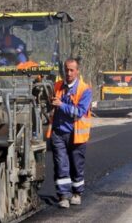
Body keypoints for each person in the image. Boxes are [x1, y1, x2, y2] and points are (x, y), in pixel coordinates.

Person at [50, 58, 92, 209]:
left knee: (76, 165)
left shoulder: (85, 90)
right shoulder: (57, 86)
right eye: (66, 70)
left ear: (77, 71)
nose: (68, 73)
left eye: (71, 70)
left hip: (76, 135)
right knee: (61, 165)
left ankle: (77, 193)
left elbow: (79, 112)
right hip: (58, 133)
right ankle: (63, 195)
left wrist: (61, 105)